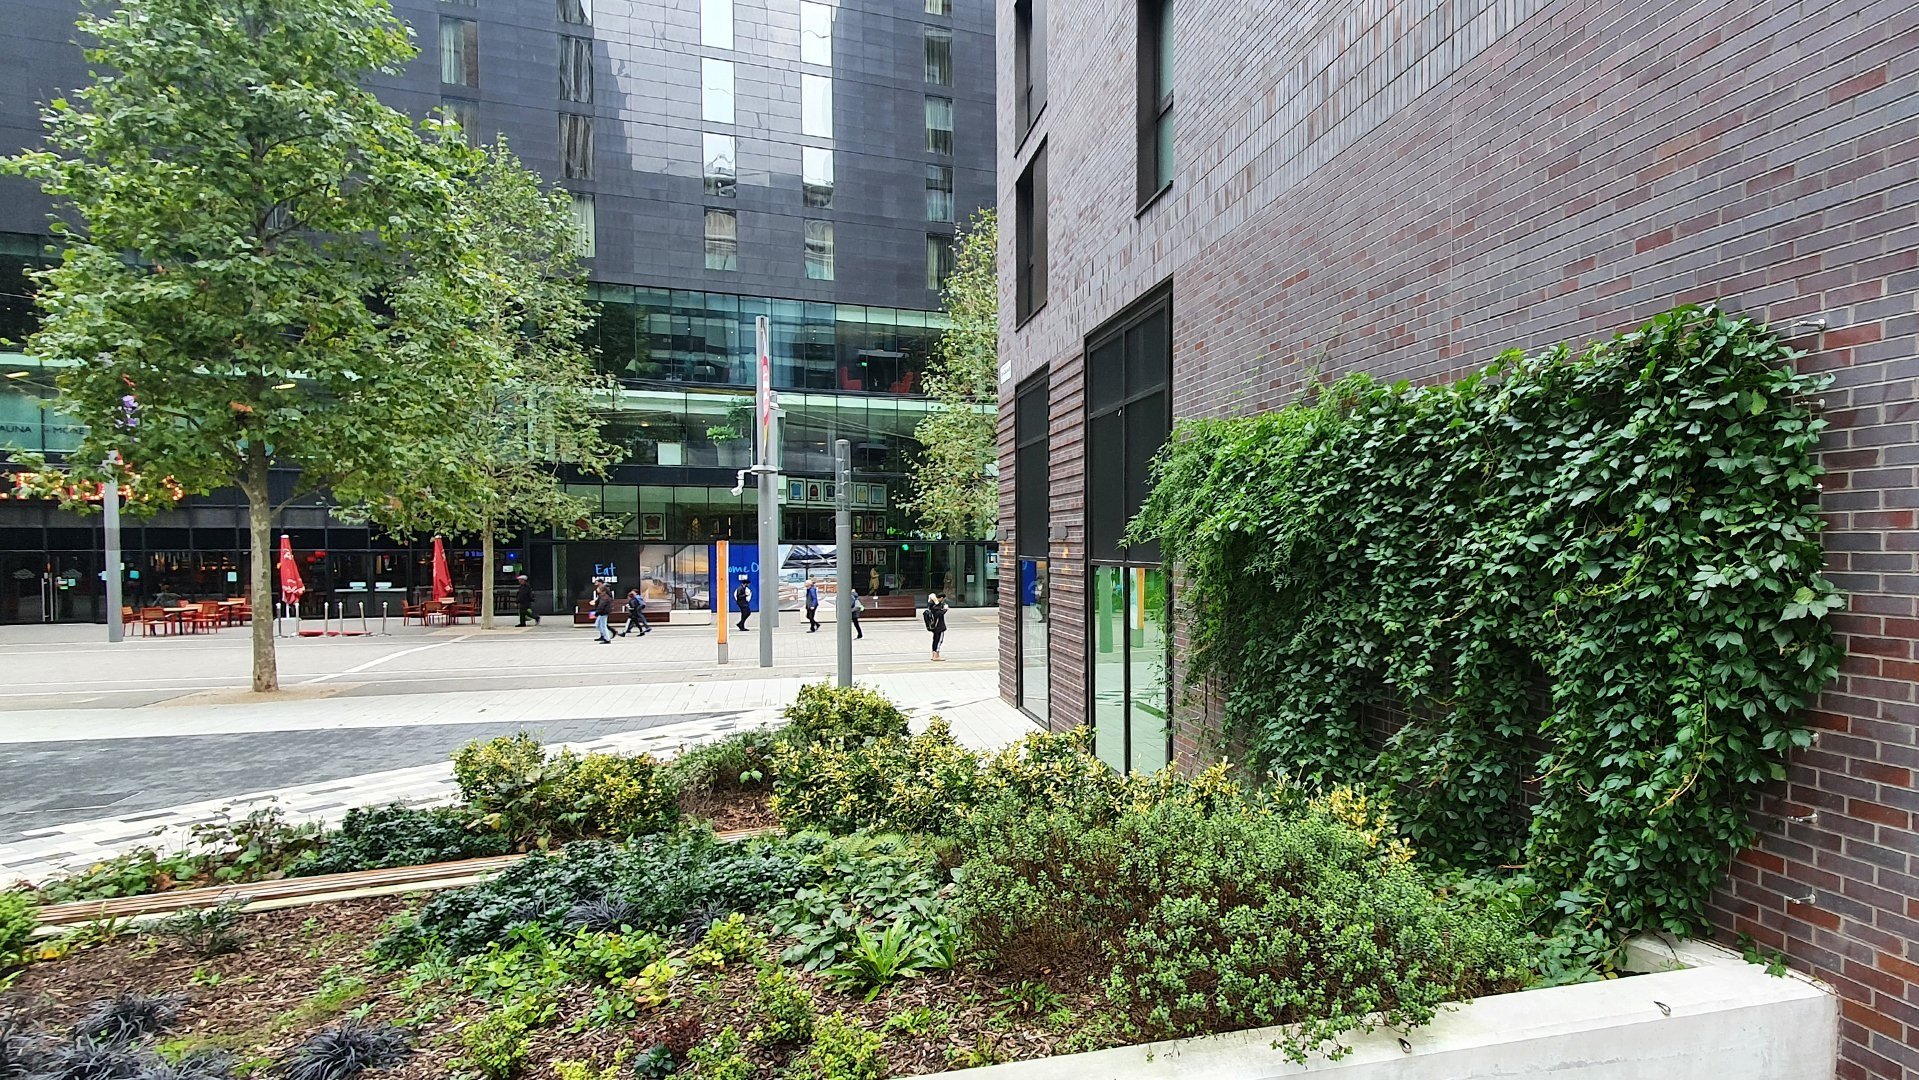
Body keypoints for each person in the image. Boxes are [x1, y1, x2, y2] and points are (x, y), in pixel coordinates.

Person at [923, 591, 948, 661]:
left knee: (935, 640)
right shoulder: (936, 606)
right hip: (939, 626)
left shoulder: (931, 605)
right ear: (942, 598)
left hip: (934, 626)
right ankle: (936, 656)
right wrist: (945, 610)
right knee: (939, 640)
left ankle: (934, 655)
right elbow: (939, 613)